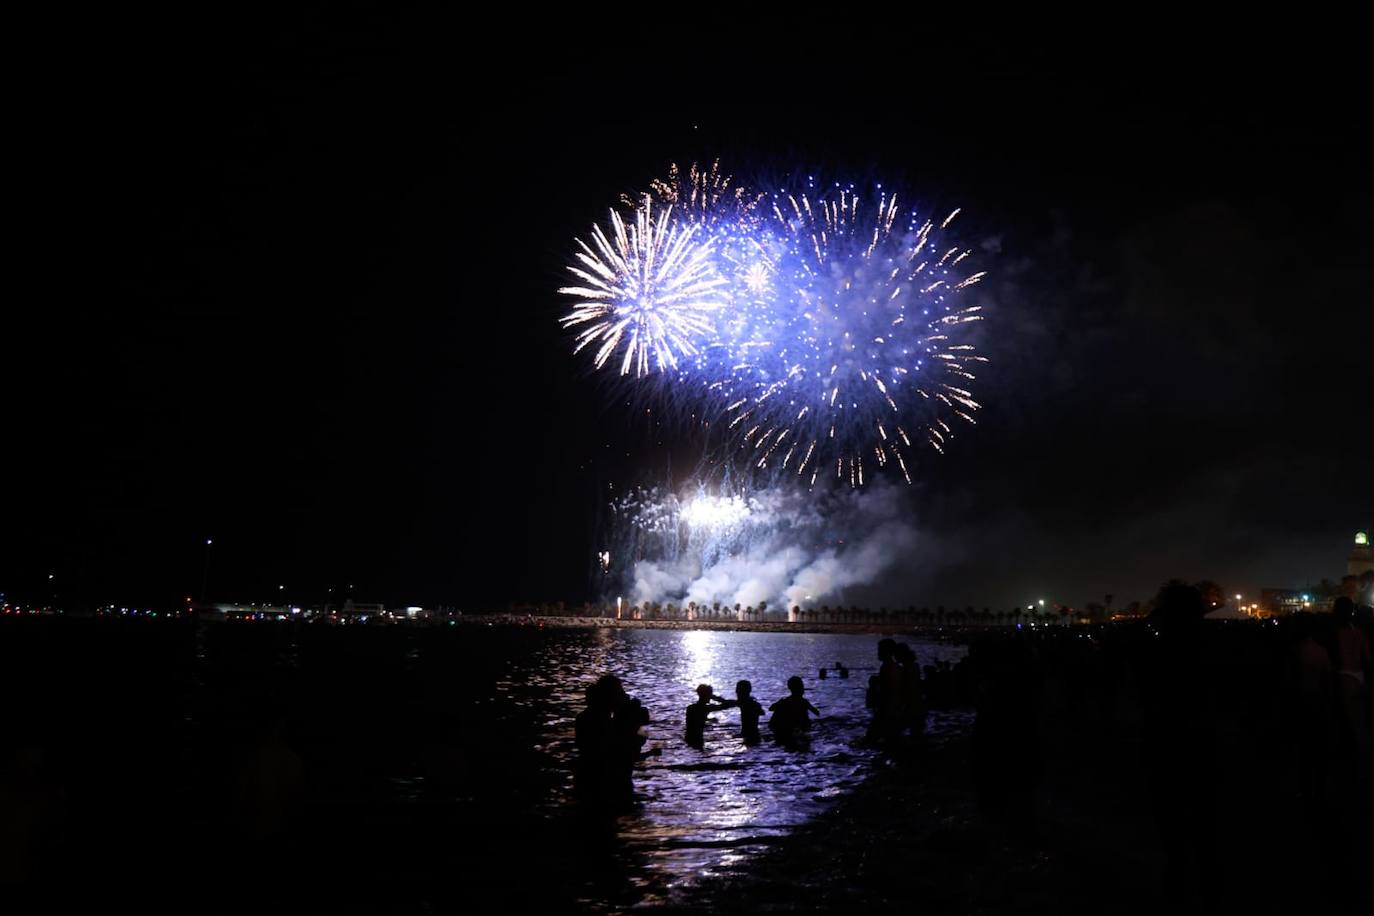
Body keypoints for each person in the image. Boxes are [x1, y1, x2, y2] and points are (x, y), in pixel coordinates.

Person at [769, 676, 820, 743]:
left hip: (789, 729)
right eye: (801, 686)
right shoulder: (803, 702)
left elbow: (771, 708)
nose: (803, 689)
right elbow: (817, 713)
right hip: (800, 729)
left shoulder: (784, 701)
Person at [684, 684, 731, 750]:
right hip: (698, 739)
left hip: (688, 738)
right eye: (710, 694)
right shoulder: (706, 708)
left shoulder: (690, 708)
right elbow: (726, 705)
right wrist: (715, 698)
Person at [732, 680, 765, 745]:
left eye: (738, 691)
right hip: (753, 735)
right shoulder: (752, 703)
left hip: (751, 735)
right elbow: (762, 712)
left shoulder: (746, 703)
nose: (736, 693)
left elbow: (727, 703)